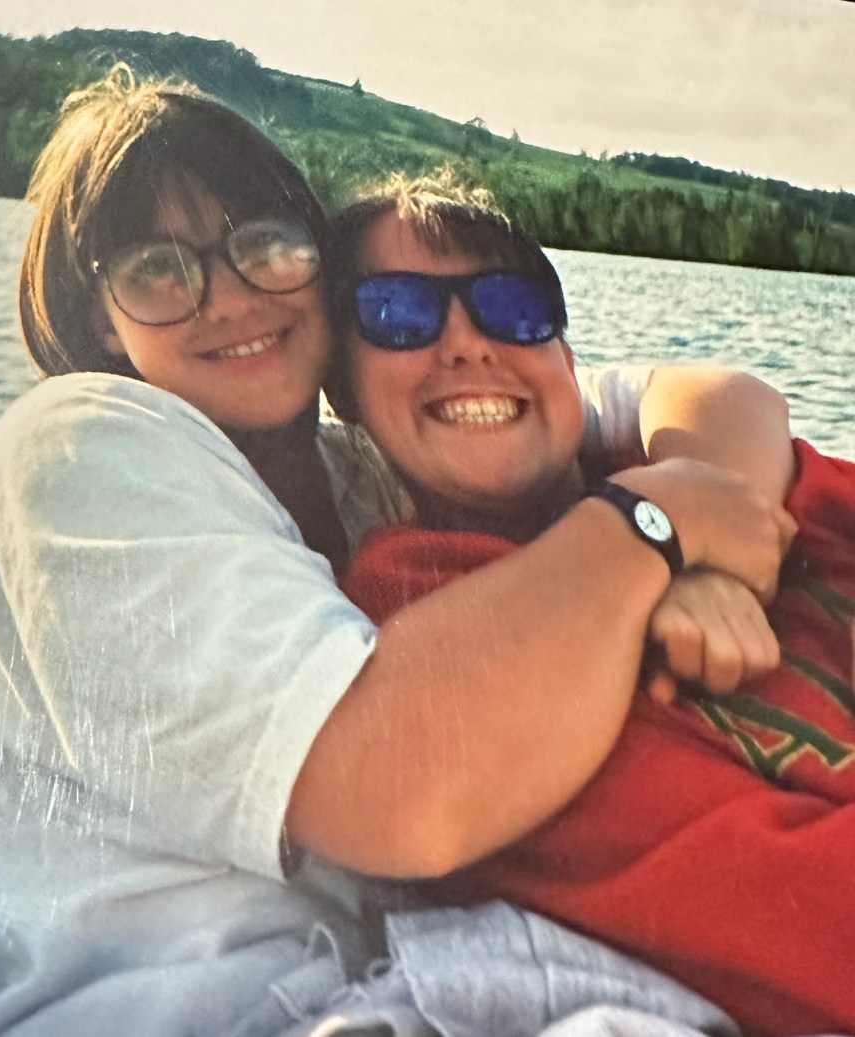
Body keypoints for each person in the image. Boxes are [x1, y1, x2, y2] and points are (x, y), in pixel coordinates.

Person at [0, 68, 794, 1036]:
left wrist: (713, 562)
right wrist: (647, 528)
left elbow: (709, 394)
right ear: (99, 317)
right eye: (158, 269)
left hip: (413, 977)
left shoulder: (359, 464)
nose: (230, 298)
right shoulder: (84, 446)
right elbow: (402, 798)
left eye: (267, 246)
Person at [330, 172, 855, 1037]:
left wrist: (701, 557)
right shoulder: (426, 611)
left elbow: (730, 399)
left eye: (512, 307)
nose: (466, 344)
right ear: (342, 395)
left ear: (569, 362)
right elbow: (782, 912)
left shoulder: (743, 474)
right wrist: (651, 534)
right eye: (398, 313)